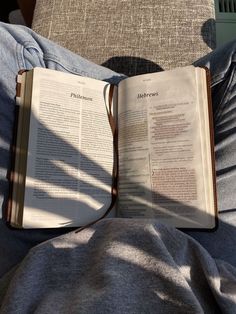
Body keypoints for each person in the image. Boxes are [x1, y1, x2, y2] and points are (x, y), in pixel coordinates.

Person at [0, 21, 236, 313]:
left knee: (10, 45)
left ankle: (116, 100)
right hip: (201, 258)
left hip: (35, 262)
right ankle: (132, 100)